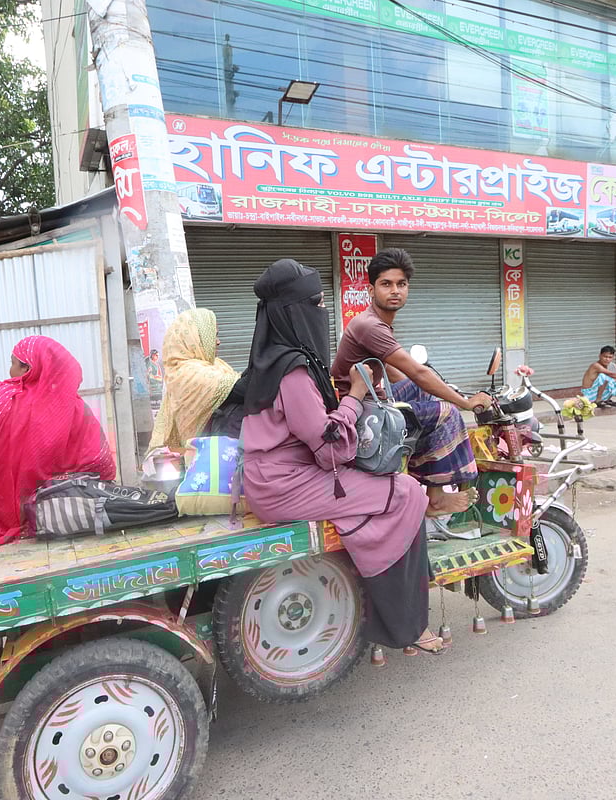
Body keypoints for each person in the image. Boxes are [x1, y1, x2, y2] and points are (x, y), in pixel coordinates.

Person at [240, 258, 444, 655]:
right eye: (315, 303)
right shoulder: (293, 372)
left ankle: (371, 600)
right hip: (287, 485)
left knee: (367, 502)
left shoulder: (268, 359)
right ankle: (402, 624)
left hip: (271, 478)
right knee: (406, 492)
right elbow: (330, 446)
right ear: (292, 312)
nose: (322, 312)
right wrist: (355, 395)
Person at [331, 248, 490, 515]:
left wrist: (424, 393)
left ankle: (428, 481)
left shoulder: (374, 322)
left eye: (401, 284)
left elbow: (399, 374)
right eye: (386, 284)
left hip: (368, 405)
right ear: (371, 290)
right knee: (447, 413)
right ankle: (436, 498)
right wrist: (465, 402)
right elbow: (419, 372)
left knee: (422, 394)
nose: (395, 290)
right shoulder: (370, 326)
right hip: (361, 417)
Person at [0, 335, 116, 545]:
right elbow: (100, 461)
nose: (10, 370)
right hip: (59, 516)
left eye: (13, 363)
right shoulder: (73, 408)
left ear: (28, 369)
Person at [145, 308, 239, 456]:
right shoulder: (188, 372)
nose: (218, 342)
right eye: (214, 336)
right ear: (195, 339)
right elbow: (241, 389)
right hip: (203, 458)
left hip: (220, 450)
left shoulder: (216, 365)